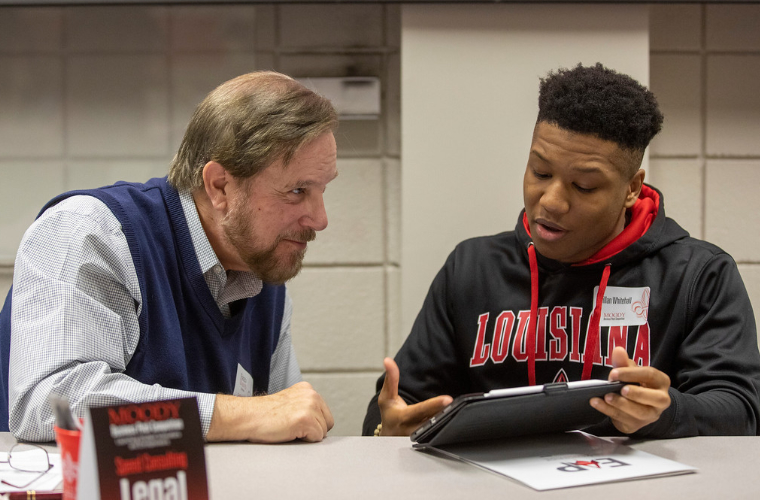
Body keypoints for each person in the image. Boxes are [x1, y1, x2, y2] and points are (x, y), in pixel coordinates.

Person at [363, 63, 760, 438]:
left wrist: (667, 412)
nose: (551, 201)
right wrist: (388, 430)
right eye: (540, 172)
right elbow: (401, 406)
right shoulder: (472, 267)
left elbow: (740, 412)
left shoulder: (699, 274)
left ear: (632, 188)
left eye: (584, 186)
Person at [0, 71, 338, 443]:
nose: (319, 219)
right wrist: (234, 414)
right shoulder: (90, 231)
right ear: (220, 186)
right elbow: (50, 405)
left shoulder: (260, 274)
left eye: (322, 190)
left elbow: (283, 418)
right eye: (297, 190)